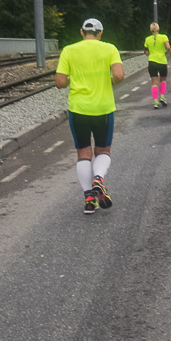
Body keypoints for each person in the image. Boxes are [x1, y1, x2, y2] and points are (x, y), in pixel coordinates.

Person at [54, 18, 125, 214]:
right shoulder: (109, 49)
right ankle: (98, 179)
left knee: (83, 153)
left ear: (81, 32)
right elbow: (119, 76)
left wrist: (71, 80)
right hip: (103, 108)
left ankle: (89, 199)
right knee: (103, 150)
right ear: (100, 33)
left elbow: (59, 82)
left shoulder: (69, 50)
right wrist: (108, 80)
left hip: (78, 109)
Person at [143, 22, 170, 109]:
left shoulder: (147, 39)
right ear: (158, 29)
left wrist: (151, 52)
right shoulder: (164, 37)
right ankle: (162, 96)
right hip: (162, 61)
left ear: (150, 30)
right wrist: (165, 52)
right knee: (163, 80)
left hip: (152, 62)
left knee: (154, 82)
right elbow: (168, 47)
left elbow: (146, 52)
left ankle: (155, 102)